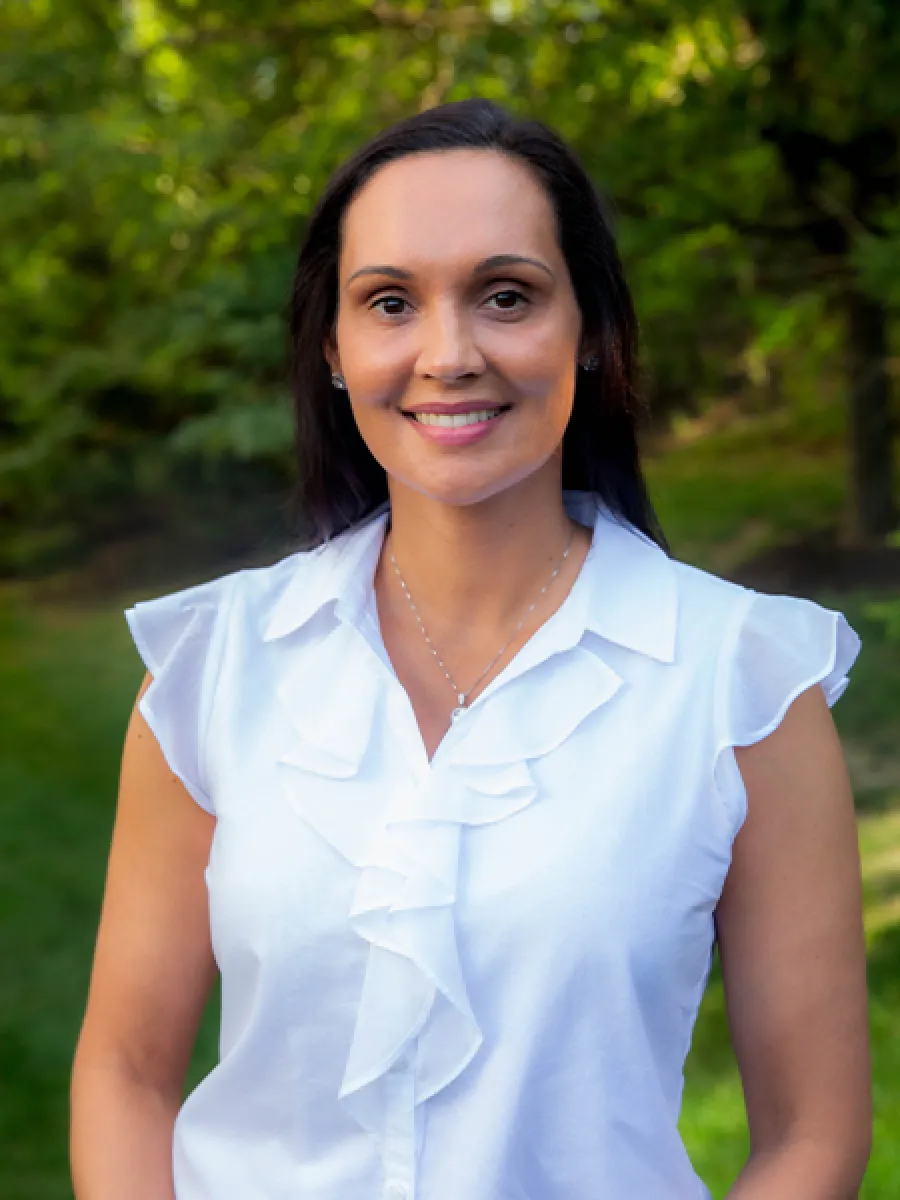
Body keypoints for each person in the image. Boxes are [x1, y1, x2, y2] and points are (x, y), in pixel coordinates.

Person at [70, 98, 871, 1200]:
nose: (449, 354)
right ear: (336, 351)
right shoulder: (212, 672)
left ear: (589, 332)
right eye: (390, 302)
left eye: (506, 296)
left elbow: (812, 1134)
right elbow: (124, 1073)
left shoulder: (746, 685)